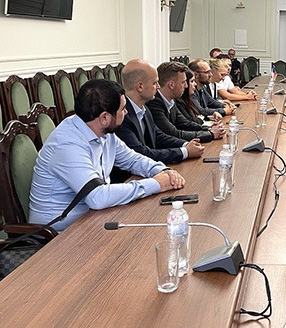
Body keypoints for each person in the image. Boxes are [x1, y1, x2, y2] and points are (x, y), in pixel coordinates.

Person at [28, 79, 185, 232]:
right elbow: (97, 197)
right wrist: (156, 184)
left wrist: (163, 171)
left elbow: (133, 159)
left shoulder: (102, 132)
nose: (126, 112)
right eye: (123, 109)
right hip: (59, 234)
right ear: (104, 118)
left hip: (92, 219)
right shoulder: (67, 145)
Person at [112, 59, 205, 183]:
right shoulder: (122, 115)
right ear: (140, 86)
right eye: (155, 83)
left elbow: (158, 136)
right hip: (128, 180)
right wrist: (184, 152)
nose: (159, 86)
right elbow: (141, 153)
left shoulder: (144, 108)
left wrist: (185, 145)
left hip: (147, 173)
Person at [146, 61, 225, 142]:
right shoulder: (154, 103)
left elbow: (184, 123)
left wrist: (209, 128)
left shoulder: (171, 100)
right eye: (183, 82)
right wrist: (210, 134)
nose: (186, 86)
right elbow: (174, 133)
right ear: (171, 85)